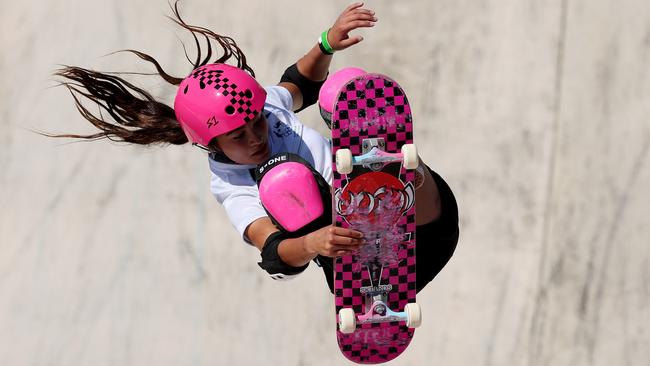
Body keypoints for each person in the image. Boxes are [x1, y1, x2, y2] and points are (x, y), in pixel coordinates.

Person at [49, 1, 459, 293]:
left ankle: (393, 170)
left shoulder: (266, 107)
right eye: (238, 137)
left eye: (256, 122)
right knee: (284, 180)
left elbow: (301, 82)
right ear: (210, 144)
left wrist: (327, 43)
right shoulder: (232, 186)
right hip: (363, 263)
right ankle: (369, 237)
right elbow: (274, 252)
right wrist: (313, 245)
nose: (256, 137)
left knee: (344, 88)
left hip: (428, 220)